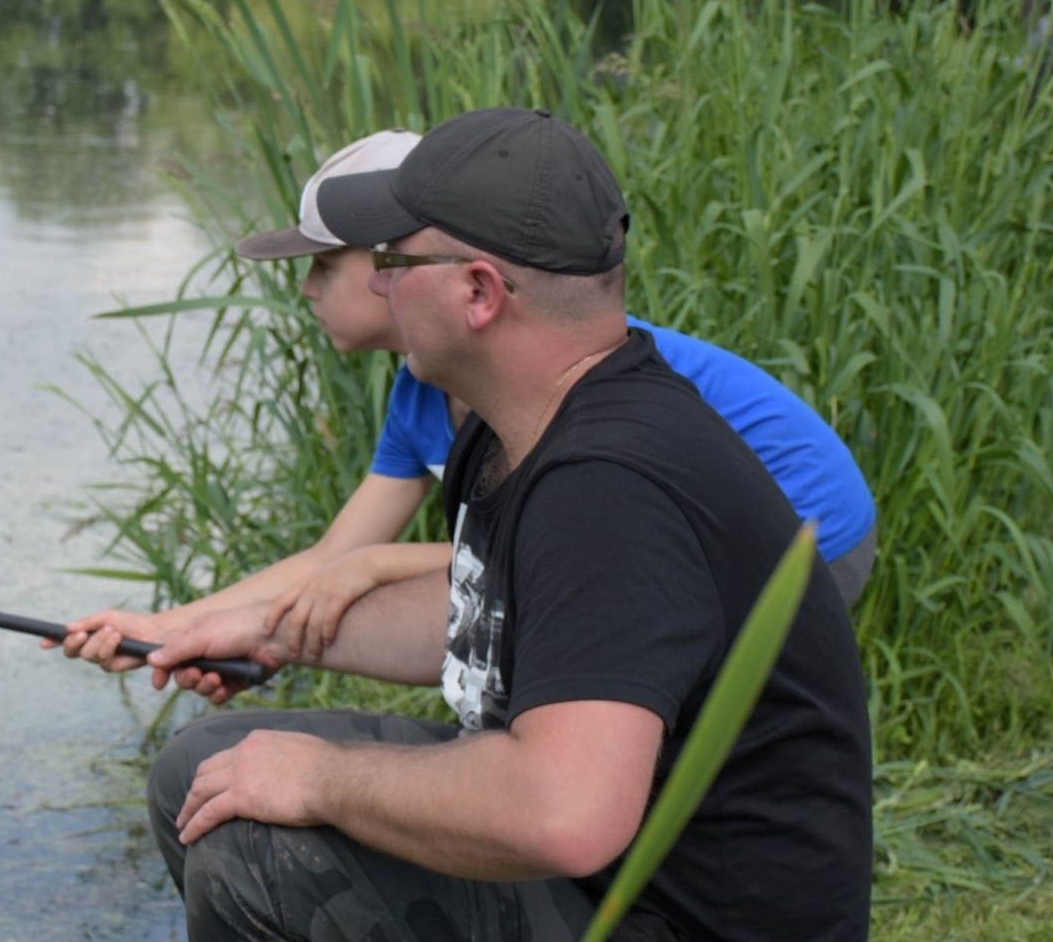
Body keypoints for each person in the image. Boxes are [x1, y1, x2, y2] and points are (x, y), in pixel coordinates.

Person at [116, 109, 874, 942]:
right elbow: (487, 607)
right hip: (617, 885)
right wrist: (268, 631)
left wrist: (321, 780)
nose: (379, 283)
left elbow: (563, 813)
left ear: (478, 291)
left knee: (256, 862)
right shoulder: (513, 425)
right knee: (205, 770)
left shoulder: (610, 482)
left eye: (395, 261)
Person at [57, 129, 875, 673]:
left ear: (415, 263)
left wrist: (377, 568)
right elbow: (335, 556)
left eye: (326, 266)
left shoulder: (559, 374)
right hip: (660, 551)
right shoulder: (422, 392)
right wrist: (172, 626)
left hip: (804, 545)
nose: (306, 289)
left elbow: (566, 550)